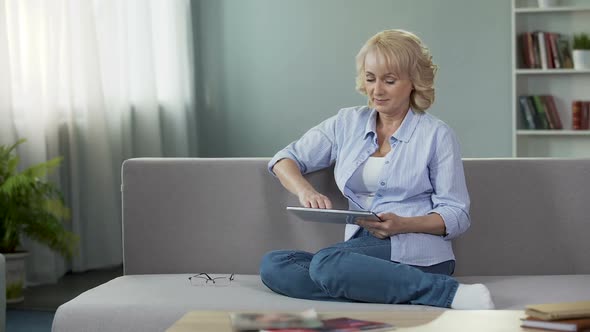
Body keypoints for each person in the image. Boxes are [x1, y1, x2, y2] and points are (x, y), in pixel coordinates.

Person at [259, 29, 494, 310]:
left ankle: (447, 293)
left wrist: (403, 224)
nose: (377, 90)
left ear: (413, 82)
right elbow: (285, 159)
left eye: (389, 81)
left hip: (417, 249)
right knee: (275, 265)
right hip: (360, 250)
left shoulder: (437, 135)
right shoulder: (347, 122)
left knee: (327, 264)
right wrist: (304, 190)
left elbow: (456, 214)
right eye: (370, 79)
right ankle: (385, 287)